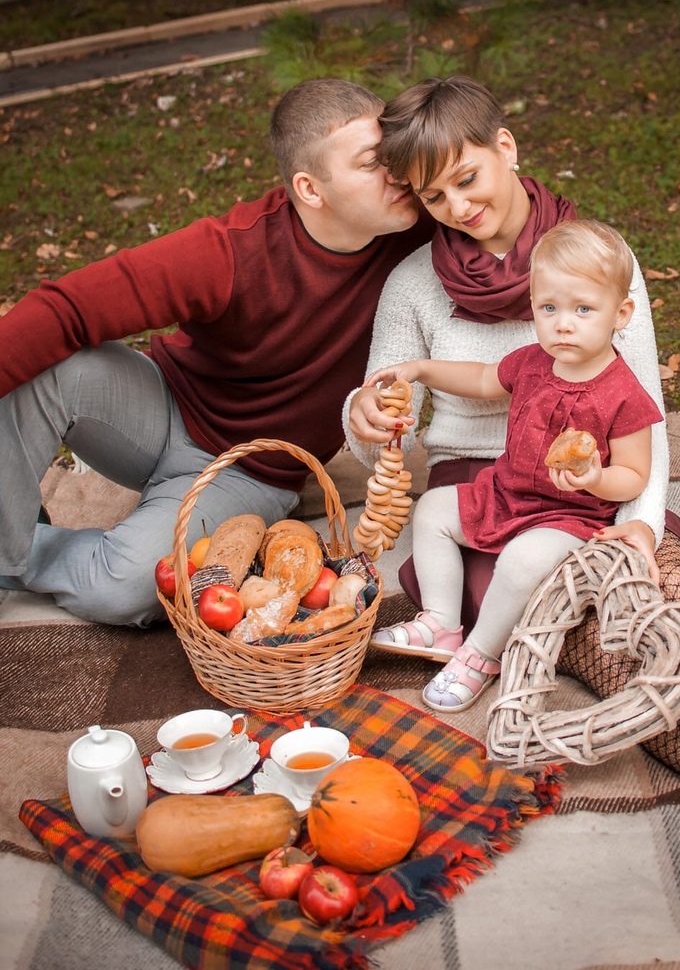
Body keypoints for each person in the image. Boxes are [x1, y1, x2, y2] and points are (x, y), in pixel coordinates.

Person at [0, 78, 434, 627]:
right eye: (373, 162)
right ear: (310, 188)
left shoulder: (426, 232)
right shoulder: (232, 250)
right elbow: (66, 307)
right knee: (52, 366)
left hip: (252, 471)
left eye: (395, 154)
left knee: (121, 591)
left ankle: (26, 550)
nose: (398, 174)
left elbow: (515, 215)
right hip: (160, 411)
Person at [343, 74, 674, 633]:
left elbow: (644, 412)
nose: (459, 206)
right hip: (480, 485)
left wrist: (642, 524)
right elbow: (382, 447)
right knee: (533, 606)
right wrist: (365, 415)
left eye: (467, 178)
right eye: (434, 196)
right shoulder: (412, 283)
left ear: (506, 147)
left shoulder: (597, 260)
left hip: (589, 483)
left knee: (649, 592)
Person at [363, 219, 664, 712]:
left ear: (621, 313)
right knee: (434, 510)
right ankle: (441, 622)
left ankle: (481, 654)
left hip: (570, 517)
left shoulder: (624, 394)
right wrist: (418, 368)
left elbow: (634, 474)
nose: (563, 323)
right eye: (549, 308)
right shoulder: (533, 362)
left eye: (583, 309)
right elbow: (481, 378)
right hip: (505, 494)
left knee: (524, 559)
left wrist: (595, 477)